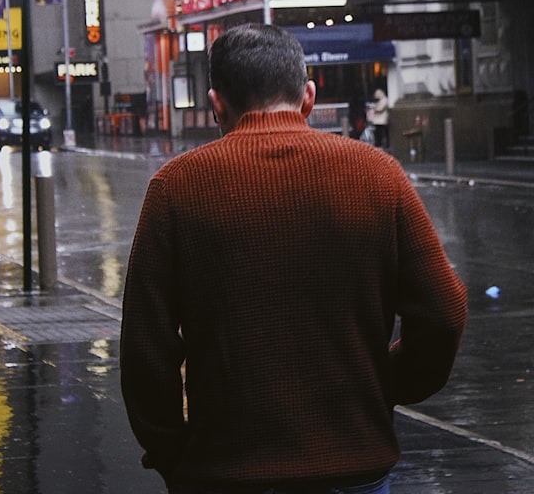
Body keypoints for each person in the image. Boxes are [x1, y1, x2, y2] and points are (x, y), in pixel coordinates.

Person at [120, 24, 467, 494]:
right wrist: (383, 385)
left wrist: (172, 455)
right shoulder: (379, 175)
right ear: (308, 96)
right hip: (356, 465)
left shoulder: (176, 187)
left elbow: (145, 351)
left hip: (226, 472)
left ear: (216, 103)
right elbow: (444, 314)